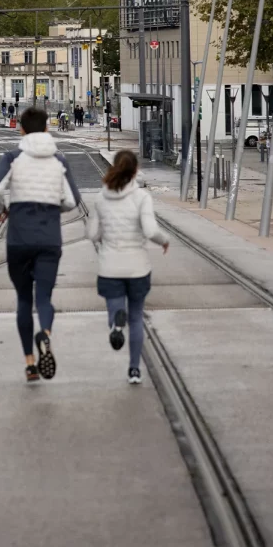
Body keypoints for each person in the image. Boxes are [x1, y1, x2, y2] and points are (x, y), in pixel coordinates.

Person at [0, 106, 82, 383]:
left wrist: (2, 210)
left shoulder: (12, 158)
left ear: (20, 128)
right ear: (46, 128)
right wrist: (53, 210)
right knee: (44, 298)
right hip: (49, 239)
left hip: (18, 239)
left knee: (23, 299)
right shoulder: (60, 160)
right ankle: (47, 333)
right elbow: (72, 200)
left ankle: (30, 364)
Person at [86, 149, 169, 385]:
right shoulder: (141, 197)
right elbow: (151, 231)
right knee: (136, 319)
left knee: (115, 308)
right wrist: (164, 241)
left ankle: (114, 323)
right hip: (137, 268)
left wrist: (104, 234)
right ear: (135, 171)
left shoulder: (101, 198)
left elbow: (92, 233)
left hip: (110, 267)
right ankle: (134, 370)